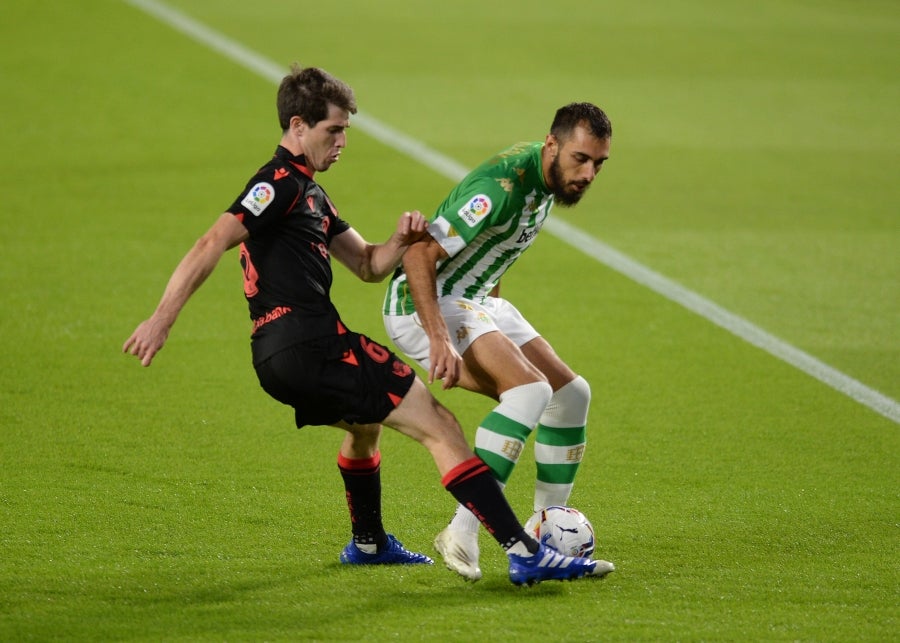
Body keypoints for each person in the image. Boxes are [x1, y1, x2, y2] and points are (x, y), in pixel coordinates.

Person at [123, 64, 610, 585]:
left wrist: (401, 239)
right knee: (442, 426)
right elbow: (210, 242)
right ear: (297, 126)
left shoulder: (313, 195)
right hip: (311, 344)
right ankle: (522, 548)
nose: (342, 143)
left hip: (274, 356)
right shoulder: (276, 183)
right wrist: (161, 319)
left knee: (365, 427)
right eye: (334, 130)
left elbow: (368, 266)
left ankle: (370, 543)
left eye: (345, 132)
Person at [382, 103, 614, 581]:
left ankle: (540, 537)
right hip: (426, 304)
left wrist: (492, 323)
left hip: (474, 298)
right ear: (551, 144)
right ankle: (462, 530)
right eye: (580, 159)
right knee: (529, 392)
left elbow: (495, 249)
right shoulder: (499, 190)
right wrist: (441, 339)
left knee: (571, 395)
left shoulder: (549, 179)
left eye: (598, 163)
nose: (588, 173)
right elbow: (418, 254)